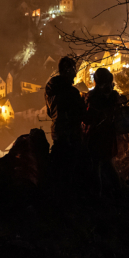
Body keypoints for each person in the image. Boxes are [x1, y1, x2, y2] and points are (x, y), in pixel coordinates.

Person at [45, 56, 87, 193]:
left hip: (57, 132)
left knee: (59, 164)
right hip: (71, 134)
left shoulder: (50, 88)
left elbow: (50, 112)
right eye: (74, 70)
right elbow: (82, 115)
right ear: (68, 71)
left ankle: (58, 195)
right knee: (71, 166)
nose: (75, 74)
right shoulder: (72, 93)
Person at [82, 68, 124, 201]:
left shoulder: (94, 98)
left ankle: (97, 196)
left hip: (96, 135)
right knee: (107, 163)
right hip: (109, 135)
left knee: (96, 165)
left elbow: (88, 118)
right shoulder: (113, 96)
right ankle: (118, 192)